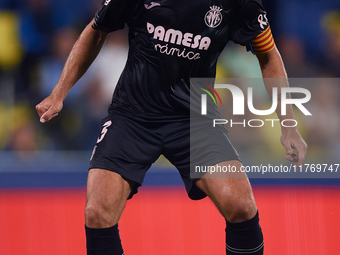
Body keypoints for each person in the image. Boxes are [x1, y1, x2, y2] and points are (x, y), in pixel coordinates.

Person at [36, 0, 308, 254]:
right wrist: (59, 93)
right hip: (133, 115)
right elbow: (96, 31)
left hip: (195, 120)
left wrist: (288, 124)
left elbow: (268, 55)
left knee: (241, 206)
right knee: (97, 213)